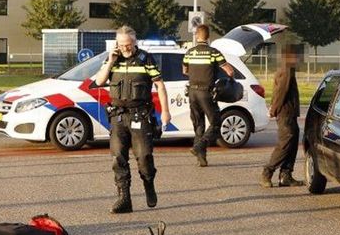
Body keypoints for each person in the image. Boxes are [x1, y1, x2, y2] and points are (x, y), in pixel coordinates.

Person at [93, 26, 171, 214]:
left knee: (144, 156)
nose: (125, 48)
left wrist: (166, 112)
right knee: (118, 157)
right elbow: (99, 81)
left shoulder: (145, 59)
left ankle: (148, 183)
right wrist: (110, 61)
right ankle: (124, 198)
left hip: (140, 115)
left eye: (128, 44)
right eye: (121, 45)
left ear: (135, 42)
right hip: (118, 116)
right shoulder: (113, 59)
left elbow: (160, 86)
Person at [182, 23, 235, 167]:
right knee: (216, 122)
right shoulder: (213, 52)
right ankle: (200, 146)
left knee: (199, 125)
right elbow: (229, 71)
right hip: (206, 92)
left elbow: (185, 71)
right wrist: (230, 76)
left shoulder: (189, 52)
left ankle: (202, 158)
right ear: (208, 37)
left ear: (196, 36)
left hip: (192, 92)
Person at [261, 56, 304, 188]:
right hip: (285, 113)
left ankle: (286, 175)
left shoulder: (288, 68)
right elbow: (281, 91)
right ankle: (267, 172)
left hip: (290, 113)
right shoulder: (287, 69)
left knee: (292, 142)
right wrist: (274, 109)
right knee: (285, 143)